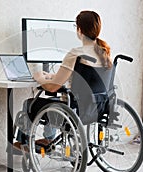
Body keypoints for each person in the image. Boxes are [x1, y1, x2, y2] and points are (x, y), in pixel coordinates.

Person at [14, 10, 112, 151]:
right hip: (96, 109)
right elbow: (84, 78)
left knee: (30, 104)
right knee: (53, 102)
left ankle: (28, 143)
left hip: (73, 110)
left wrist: (39, 77)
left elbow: (52, 88)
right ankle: (49, 139)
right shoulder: (104, 54)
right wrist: (54, 76)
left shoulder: (76, 53)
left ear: (79, 30)